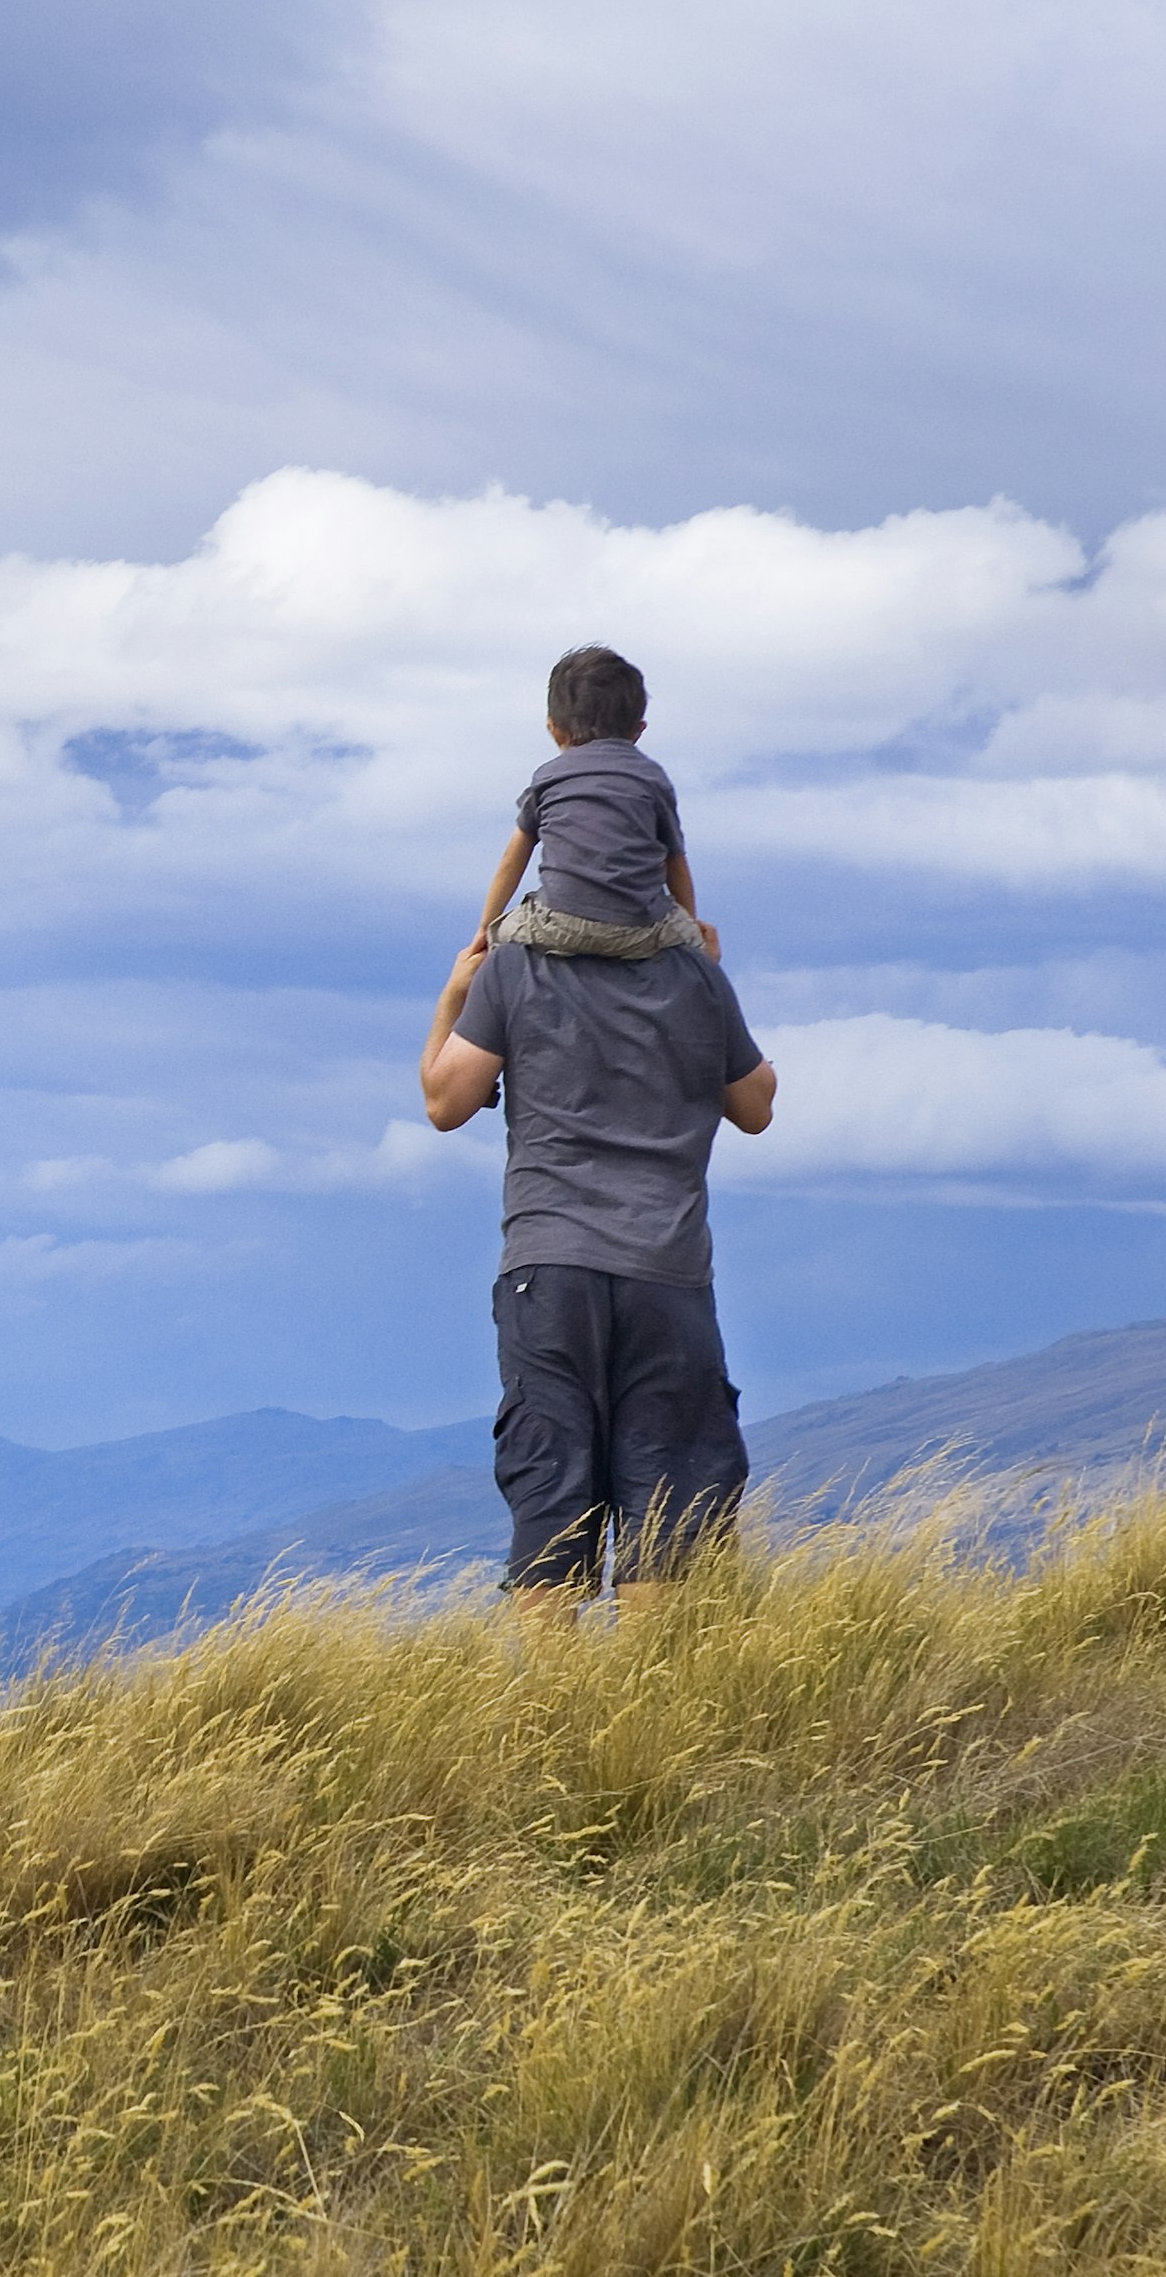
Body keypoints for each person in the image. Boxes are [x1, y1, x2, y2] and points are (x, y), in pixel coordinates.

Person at [421, 644, 777, 1618]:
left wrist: (458, 988)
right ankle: (648, 1736)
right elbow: (756, 1106)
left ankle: (559, 1744)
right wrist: (706, 963)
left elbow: (446, 1101)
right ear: (643, 732)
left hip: (547, 1267)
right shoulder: (693, 975)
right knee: (668, 1506)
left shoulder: (516, 967)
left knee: (552, 1506)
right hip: (665, 1271)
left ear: (552, 733)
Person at [475, 645, 713, 962]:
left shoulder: (548, 777)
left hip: (558, 924)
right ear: (638, 730)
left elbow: (513, 858)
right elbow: (675, 862)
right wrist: (691, 931)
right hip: (638, 931)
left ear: (552, 728)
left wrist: (486, 928)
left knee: (500, 943)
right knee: (700, 947)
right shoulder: (652, 779)